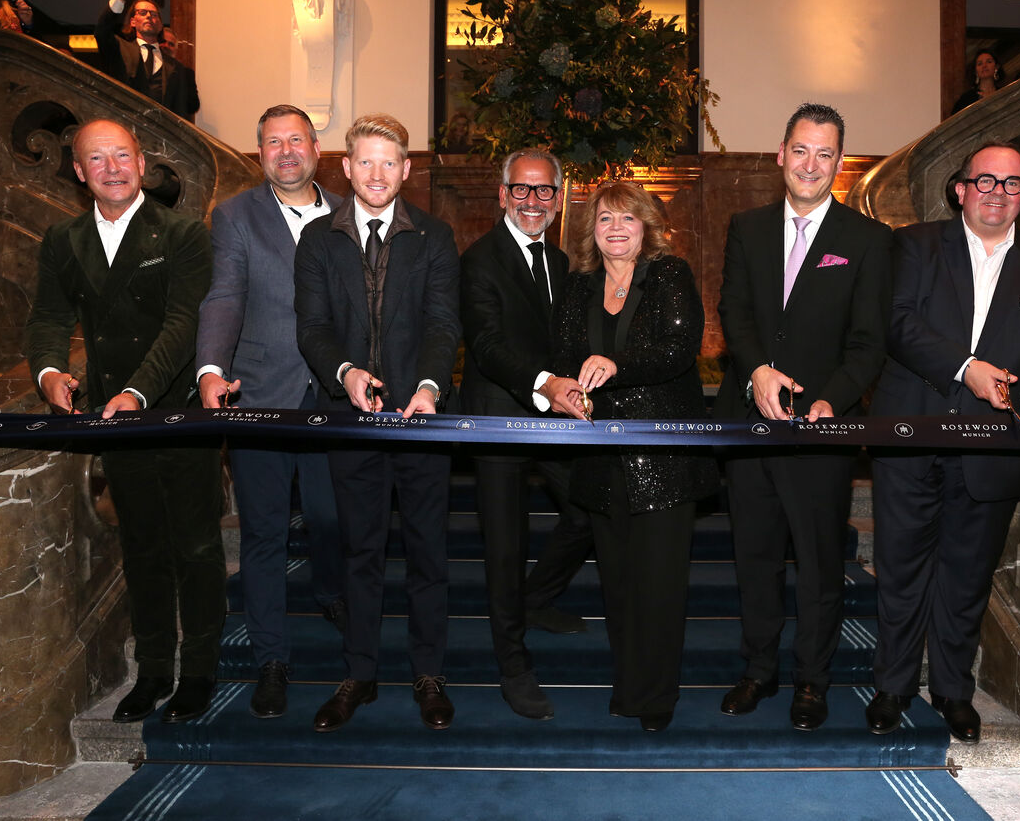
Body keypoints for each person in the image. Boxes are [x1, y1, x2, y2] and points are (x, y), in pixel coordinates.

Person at [865, 142, 1020, 743]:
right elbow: (897, 323)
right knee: (900, 570)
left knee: (967, 576)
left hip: (994, 445)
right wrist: (966, 367)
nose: (997, 192)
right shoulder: (913, 245)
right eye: (985, 180)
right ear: (960, 189)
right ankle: (891, 687)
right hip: (909, 432)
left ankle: (952, 689)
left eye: (1012, 183)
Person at [24, 119, 225, 725]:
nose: (113, 167)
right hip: (114, 420)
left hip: (177, 410)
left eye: (122, 155)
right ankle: (155, 671)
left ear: (141, 162)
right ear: (79, 172)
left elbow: (183, 323)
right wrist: (50, 373)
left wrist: (139, 390)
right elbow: (47, 319)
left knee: (195, 546)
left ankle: (200, 672)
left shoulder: (184, 233)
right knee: (140, 548)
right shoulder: (63, 238)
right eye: (97, 159)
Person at [714, 103, 892, 731]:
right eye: (801, 150)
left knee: (819, 565)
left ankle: (812, 683)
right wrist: (758, 370)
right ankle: (758, 670)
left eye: (825, 154)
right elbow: (733, 310)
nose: (810, 164)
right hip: (751, 422)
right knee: (754, 558)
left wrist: (833, 400)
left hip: (821, 430)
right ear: (781, 153)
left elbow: (869, 341)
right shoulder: (747, 225)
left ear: (838, 164)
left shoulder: (868, 241)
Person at [294, 113, 461, 733]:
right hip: (351, 419)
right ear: (346, 167)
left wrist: (426, 387)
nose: (377, 173)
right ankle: (359, 673)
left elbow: (444, 324)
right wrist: (346, 374)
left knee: (427, 552)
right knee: (360, 549)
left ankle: (429, 675)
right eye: (365, 161)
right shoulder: (318, 239)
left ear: (407, 170)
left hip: (423, 421)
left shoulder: (435, 237)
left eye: (389, 162)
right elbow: (311, 327)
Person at [544, 181, 719, 733]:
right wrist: (568, 386)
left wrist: (617, 364)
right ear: (591, 231)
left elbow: (678, 348)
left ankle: (656, 695)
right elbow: (567, 354)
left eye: (627, 219)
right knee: (617, 582)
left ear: (647, 226)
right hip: (600, 455)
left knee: (660, 582)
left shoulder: (670, 275)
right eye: (604, 220)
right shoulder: (578, 286)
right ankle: (628, 686)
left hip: (663, 454)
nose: (615, 230)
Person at [196, 105, 346, 719]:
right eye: (271, 143)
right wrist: (210, 368)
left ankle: (333, 591)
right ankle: (271, 660)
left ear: (317, 147)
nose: (285, 151)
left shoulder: (349, 210)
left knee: (334, 519)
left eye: (295, 140)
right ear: (259, 154)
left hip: (338, 397)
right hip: (261, 394)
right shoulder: (235, 215)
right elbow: (225, 295)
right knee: (262, 533)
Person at [459, 148, 595, 720]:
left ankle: (536, 601)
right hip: (498, 415)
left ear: (558, 198)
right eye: (522, 189)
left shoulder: (563, 263)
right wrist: (547, 384)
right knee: (505, 546)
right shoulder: (479, 260)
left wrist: (581, 381)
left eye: (544, 191)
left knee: (589, 510)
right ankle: (512, 665)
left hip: (558, 416)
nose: (533, 201)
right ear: (502, 194)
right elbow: (488, 346)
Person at [95, 0, 200, 119]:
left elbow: (180, 113)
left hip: (159, 137)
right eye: (142, 12)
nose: (149, 16)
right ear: (132, 21)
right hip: (124, 129)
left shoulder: (176, 68)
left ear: (160, 24)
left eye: (154, 14)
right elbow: (101, 31)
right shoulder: (120, 48)